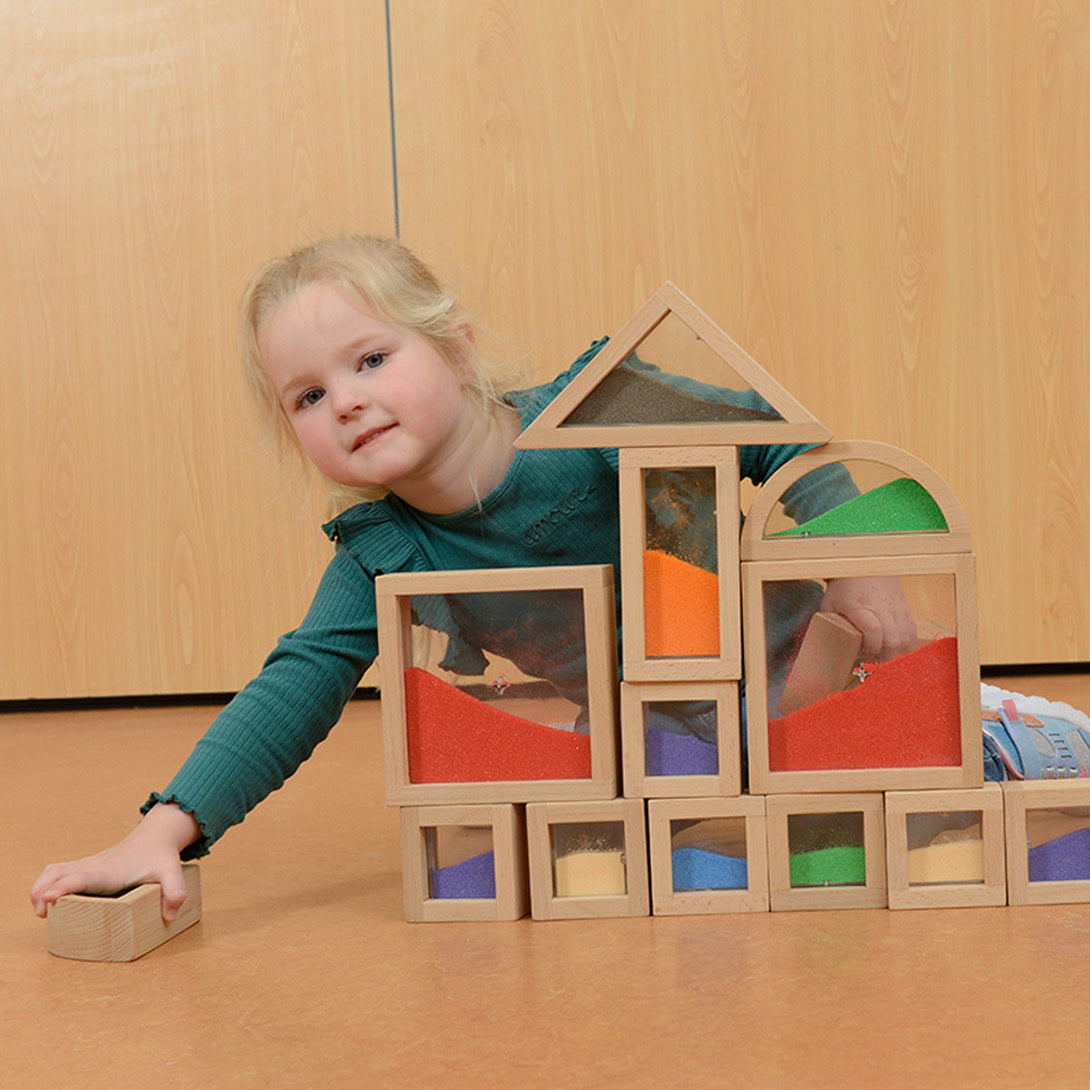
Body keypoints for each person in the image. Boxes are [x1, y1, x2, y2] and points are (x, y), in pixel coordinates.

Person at [30, 235, 917, 921]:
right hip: (661, 749)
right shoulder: (391, 549)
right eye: (306, 396)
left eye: (371, 360)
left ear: (457, 351)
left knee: (913, 763)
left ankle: (1007, 728)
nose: (343, 398)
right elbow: (296, 683)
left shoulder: (595, 413)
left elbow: (784, 436)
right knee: (586, 843)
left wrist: (857, 560)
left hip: (825, 678)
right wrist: (161, 832)